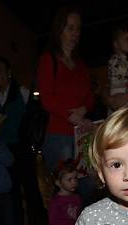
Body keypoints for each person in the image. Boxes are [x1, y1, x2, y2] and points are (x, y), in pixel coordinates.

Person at [0, 57, 46, 225]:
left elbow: (36, 115)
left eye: (1, 70)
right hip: (3, 149)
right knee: (10, 190)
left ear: (9, 72)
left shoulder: (21, 91)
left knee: (30, 187)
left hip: (22, 146)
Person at [36, 6, 95, 175]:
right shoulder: (48, 60)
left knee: (87, 186)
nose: (75, 33)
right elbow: (46, 99)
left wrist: (83, 109)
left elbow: (90, 96)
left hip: (82, 134)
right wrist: (75, 118)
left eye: (78, 29)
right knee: (65, 191)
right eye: (70, 28)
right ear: (59, 30)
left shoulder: (81, 64)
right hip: (59, 134)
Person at [47, 159, 82, 225]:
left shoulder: (77, 198)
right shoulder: (55, 202)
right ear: (58, 183)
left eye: (75, 178)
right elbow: (52, 224)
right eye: (69, 179)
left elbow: (80, 218)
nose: (74, 182)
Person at [107, 25, 128, 101]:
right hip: (117, 92)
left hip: (123, 90)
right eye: (127, 39)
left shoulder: (124, 60)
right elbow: (123, 75)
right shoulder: (115, 60)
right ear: (116, 44)